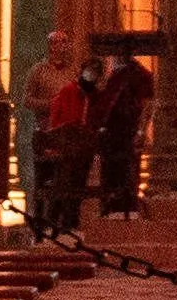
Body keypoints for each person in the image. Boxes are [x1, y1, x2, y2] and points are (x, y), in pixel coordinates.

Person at [25, 25, 97, 235]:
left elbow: (84, 96)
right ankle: (40, 223)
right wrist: (51, 105)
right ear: (49, 46)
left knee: (69, 179)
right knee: (44, 179)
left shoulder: (75, 72)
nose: (60, 47)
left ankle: (66, 222)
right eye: (56, 43)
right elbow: (26, 100)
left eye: (64, 42)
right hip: (46, 133)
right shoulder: (38, 70)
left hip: (70, 138)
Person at [87, 43, 159, 216]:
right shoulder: (109, 74)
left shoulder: (138, 74)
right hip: (110, 130)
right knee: (109, 169)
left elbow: (148, 105)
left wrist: (141, 130)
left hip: (129, 129)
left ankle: (127, 206)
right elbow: (98, 99)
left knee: (128, 170)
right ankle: (109, 205)